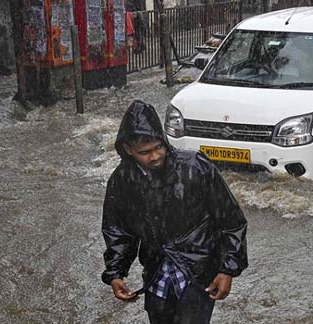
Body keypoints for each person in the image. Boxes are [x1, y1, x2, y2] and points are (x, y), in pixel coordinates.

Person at [101, 100, 248, 324]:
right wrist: (116, 273)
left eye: (158, 147)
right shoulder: (122, 180)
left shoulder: (195, 167)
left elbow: (231, 221)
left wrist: (227, 270)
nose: (155, 156)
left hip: (197, 275)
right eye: (145, 152)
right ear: (128, 149)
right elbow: (118, 230)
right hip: (156, 276)